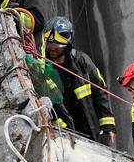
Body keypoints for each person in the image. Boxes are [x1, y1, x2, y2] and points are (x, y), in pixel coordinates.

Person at [44, 16, 117, 146]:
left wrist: (107, 125)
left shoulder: (82, 62)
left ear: (68, 45)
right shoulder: (42, 65)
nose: (52, 49)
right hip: (61, 132)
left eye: (57, 46)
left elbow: (99, 91)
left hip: (88, 127)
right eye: (49, 45)